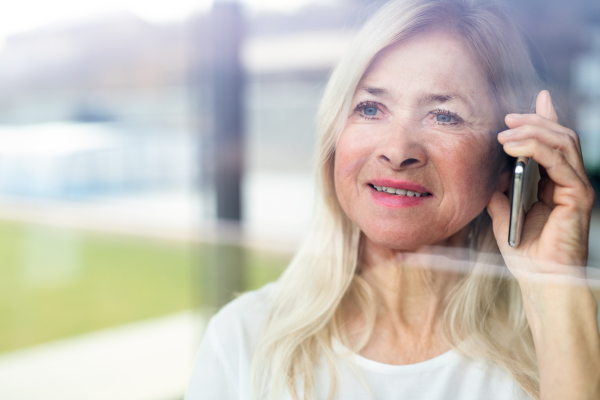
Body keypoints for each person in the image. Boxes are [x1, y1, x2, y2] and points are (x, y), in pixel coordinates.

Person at [185, 0, 600, 399]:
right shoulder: (243, 340)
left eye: (444, 116)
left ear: (504, 160)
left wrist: (555, 290)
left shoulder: (574, 336)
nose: (397, 149)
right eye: (370, 108)